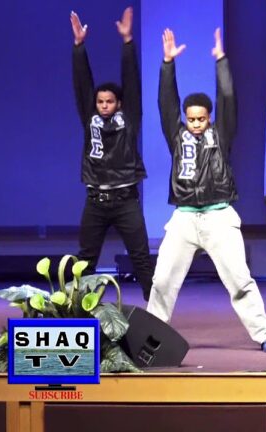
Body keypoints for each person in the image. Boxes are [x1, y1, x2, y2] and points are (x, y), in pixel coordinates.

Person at [146, 28, 266, 353]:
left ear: (209, 118)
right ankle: (149, 339)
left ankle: (264, 334)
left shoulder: (221, 135)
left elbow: (228, 99)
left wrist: (221, 61)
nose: (195, 123)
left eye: (201, 119)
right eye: (191, 119)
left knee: (239, 279)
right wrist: (167, 64)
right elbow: (166, 104)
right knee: (162, 281)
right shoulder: (176, 136)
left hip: (219, 216)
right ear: (185, 118)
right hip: (184, 218)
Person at [71, 8, 153, 301]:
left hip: (126, 200)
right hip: (95, 200)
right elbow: (82, 86)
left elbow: (131, 84)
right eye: (100, 101)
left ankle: (157, 311)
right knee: (85, 259)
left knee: (141, 257)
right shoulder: (90, 118)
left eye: (110, 101)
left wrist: (128, 42)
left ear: (119, 103)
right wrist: (79, 47)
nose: (104, 105)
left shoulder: (129, 119)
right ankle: (78, 312)